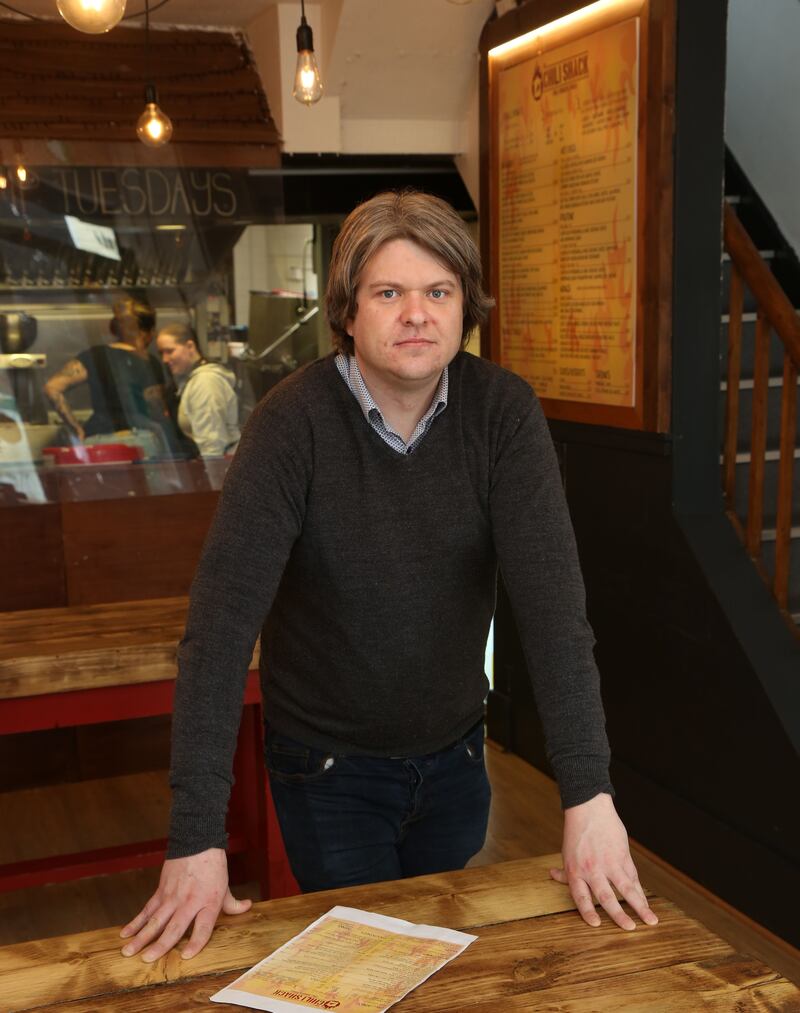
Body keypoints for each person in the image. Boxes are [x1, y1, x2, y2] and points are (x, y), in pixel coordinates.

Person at [120, 190, 658, 964]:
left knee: (438, 964)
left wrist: (589, 792)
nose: (417, 313)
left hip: (455, 757)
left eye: (438, 291)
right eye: (389, 292)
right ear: (346, 310)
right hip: (327, 768)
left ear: (464, 306)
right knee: (368, 968)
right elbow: (218, 633)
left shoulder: (502, 413)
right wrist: (197, 837)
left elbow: (553, 613)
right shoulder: (290, 424)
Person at [43, 296, 166, 446]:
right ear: (148, 332)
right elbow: (156, 411)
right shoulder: (150, 362)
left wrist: (75, 427)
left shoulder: (95, 355)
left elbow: (52, 387)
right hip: (139, 439)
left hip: (96, 441)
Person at [155, 323, 240, 458]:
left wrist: (213, 477)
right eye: (161, 353)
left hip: (220, 466)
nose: (165, 359)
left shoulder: (204, 382)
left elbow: (212, 443)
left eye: (170, 351)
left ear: (190, 346)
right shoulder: (191, 381)